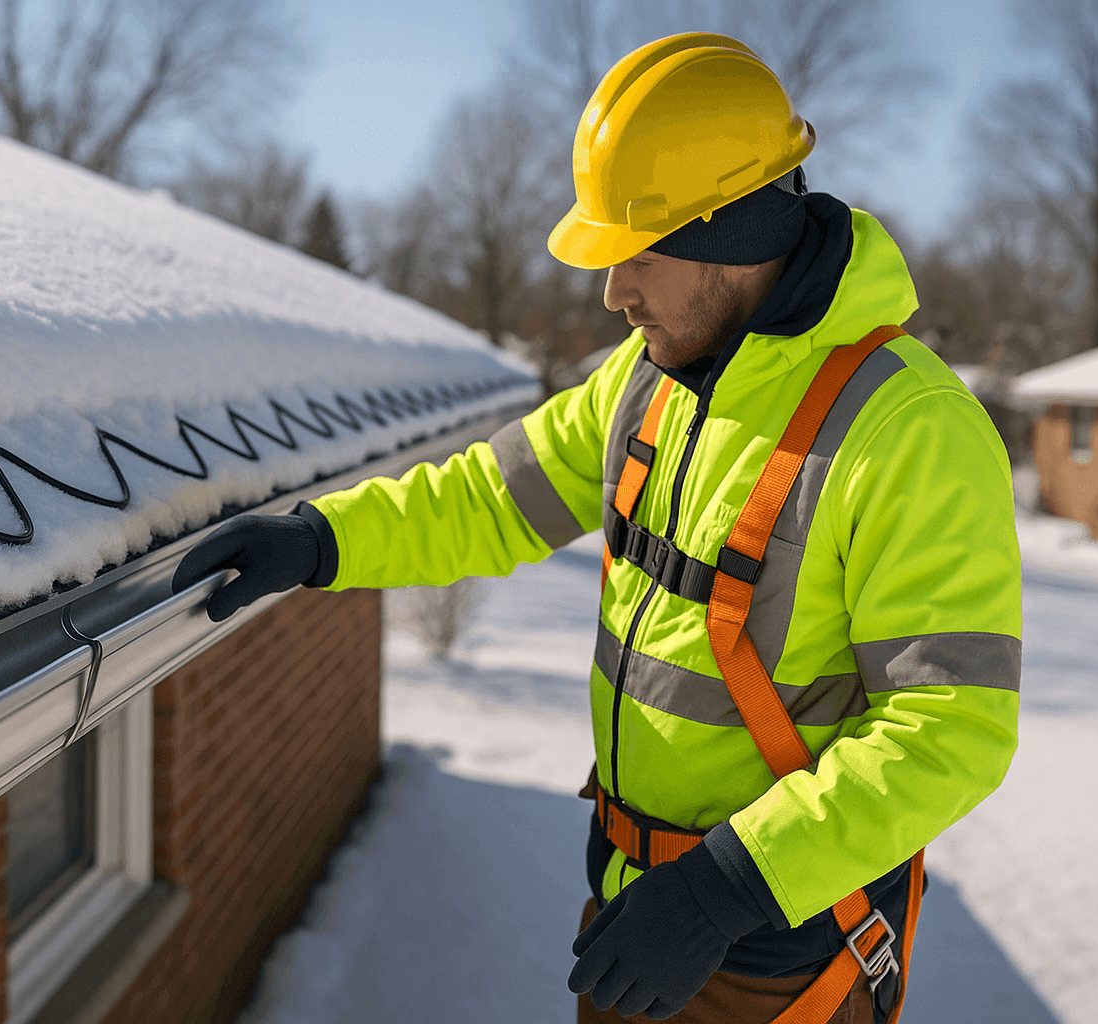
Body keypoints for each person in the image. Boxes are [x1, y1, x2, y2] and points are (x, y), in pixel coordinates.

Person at [169, 33, 1021, 1024]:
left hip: (772, 948)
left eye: (636, 255)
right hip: (632, 901)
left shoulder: (907, 429)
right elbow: (488, 499)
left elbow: (950, 730)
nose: (613, 293)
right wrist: (321, 540)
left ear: (731, 231)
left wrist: (722, 891)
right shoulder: (646, 382)